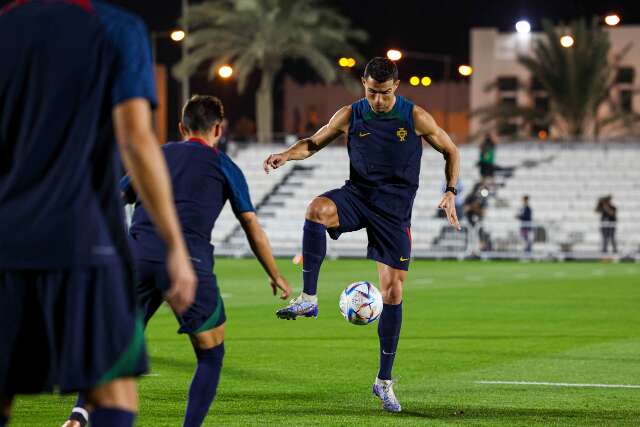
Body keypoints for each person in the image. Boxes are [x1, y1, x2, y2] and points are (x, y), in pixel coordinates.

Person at [0, 2, 196, 427]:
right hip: (84, 241)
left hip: (6, 240)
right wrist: (174, 246)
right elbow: (136, 139)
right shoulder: (118, 28)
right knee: (113, 391)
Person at [64, 95, 292, 427]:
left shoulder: (155, 153)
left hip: (136, 258)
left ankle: (79, 414)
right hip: (188, 263)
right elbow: (251, 227)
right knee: (211, 354)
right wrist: (275, 274)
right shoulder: (224, 164)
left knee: (115, 345)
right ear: (219, 128)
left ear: (181, 128)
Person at [263, 57, 460, 413]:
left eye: (384, 94)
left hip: (394, 211)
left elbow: (451, 150)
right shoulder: (350, 114)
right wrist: (286, 155)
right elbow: (312, 142)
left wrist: (450, 191)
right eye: (371, 92)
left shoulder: (414, 117)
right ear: (363, 85)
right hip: (358, 196)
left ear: (396, 87)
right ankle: (309, 298)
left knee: (393, 293)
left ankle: (383, 382)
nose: (378, 100)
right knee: (316, 209)